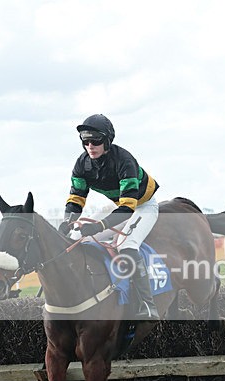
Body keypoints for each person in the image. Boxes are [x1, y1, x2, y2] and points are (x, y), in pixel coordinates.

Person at [59, 114, 160, 320]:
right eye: (85, 141)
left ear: (107, 140)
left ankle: (148, 305)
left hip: (142, 206)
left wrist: (99, 226)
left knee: (127, 246)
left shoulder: (124, 161)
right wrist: (67, 222)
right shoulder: (81, 164)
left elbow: (128, 208)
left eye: (95, 141)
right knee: (78, 238)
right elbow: (76, 198)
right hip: (118, 206)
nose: (90, 146)